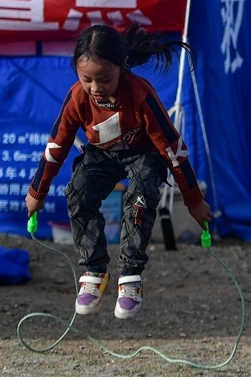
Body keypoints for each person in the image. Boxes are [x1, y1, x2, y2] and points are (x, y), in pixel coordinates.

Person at [25, 22, 212, 319]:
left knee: (139, 199)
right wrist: (37, 192)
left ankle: (130, 276)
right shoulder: (78, 97)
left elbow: (172, 149)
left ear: (123, 66)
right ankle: (95, 271)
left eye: (105, 80)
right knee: (78, 193)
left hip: (144, 154)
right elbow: (56, 145)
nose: (95, 88)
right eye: (87, 79)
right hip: (102, 153)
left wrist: (194, 200)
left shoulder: (140, 94)